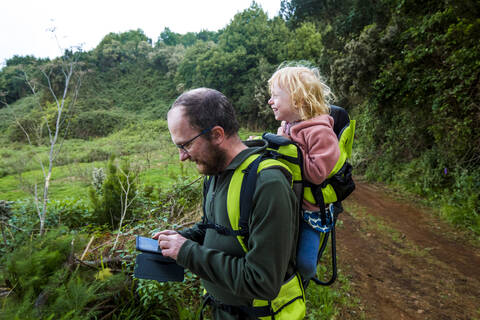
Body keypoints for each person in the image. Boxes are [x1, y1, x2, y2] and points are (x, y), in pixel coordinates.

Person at [153, 88, 303, 319]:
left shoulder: (268, 184)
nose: (182, 157)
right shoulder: (214, 173)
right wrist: (179, 239)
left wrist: (187, 251)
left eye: (186, 145)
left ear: (217, 134)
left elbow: (262, 282)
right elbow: (212, 228)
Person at [267, 64, 340, 281]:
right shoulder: (286, 126)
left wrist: (289, 147)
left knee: (306, 264)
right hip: (289, 203)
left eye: (275, 96)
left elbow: (317, 173)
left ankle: (303, 283)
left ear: (298, 100)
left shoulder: (320, 132)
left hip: (309, 210)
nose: (270, 101)